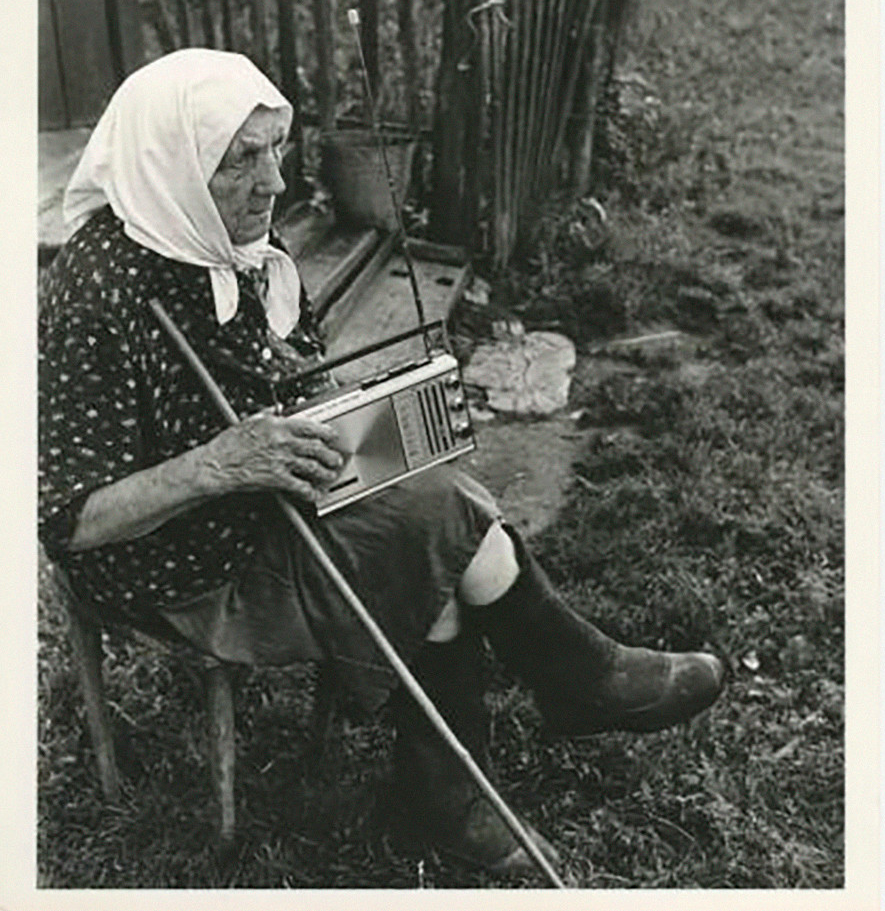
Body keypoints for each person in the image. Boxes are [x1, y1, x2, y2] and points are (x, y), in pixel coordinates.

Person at [39, 49, 724, 881]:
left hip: (265, 491)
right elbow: (68, 519)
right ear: (171, 166)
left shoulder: (216, 232)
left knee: (430, 488)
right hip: (178, 560)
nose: (273, 183)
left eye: (275, 149)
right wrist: (217, 465)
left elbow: (280, 367)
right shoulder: (96, 293)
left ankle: (474, 765)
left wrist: (349, 409)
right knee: (439, 519)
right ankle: (561, 693)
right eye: (239, 161)